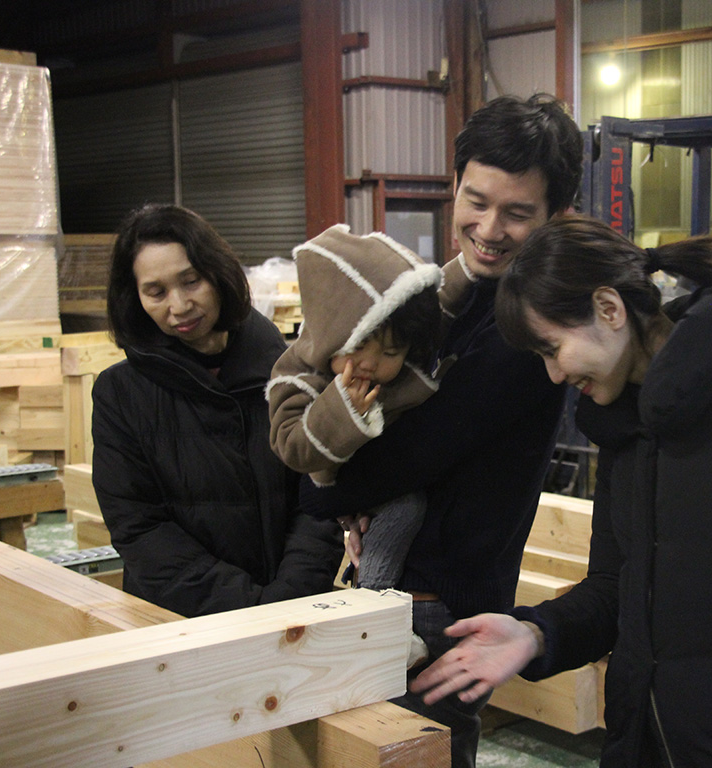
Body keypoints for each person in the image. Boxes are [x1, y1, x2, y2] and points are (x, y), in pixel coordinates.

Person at [411, 215, 712, 768]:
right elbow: (613, 588)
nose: (552, 376)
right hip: (647, 742)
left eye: (553, 348)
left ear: (609, 309)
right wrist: (535, 634)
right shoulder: (624, 427)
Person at [297, 93, 584, 767]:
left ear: (555, 217)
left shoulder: (523, 331)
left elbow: (417, 451)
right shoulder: (446, 295)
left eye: (517, 213)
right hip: (399, 586)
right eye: (476, 201)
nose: (488, 228)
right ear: (453, 184)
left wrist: (322, 492)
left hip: (442, 611)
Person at [91, 203, 344, 618]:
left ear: (218, 274)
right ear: (134, 298)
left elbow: (319, 494)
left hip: (295, 616)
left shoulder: (289, 371)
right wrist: (248, 607)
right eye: (156, 292)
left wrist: (287, 600)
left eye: (191, 281)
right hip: (181, 626)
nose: (179, 305)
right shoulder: (120, 395)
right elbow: (139, 527)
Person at [267, 223, 471, 590]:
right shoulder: (298, 373)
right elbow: (291, 445)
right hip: (346, 482)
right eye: (357, 345)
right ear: (332, 331)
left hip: (384, 477)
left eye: (391, 352)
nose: (370, 363)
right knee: (405, 509)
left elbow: (441, 297)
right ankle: (375, 598)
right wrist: (342, 411)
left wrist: (471, 266)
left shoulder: (402, 357)